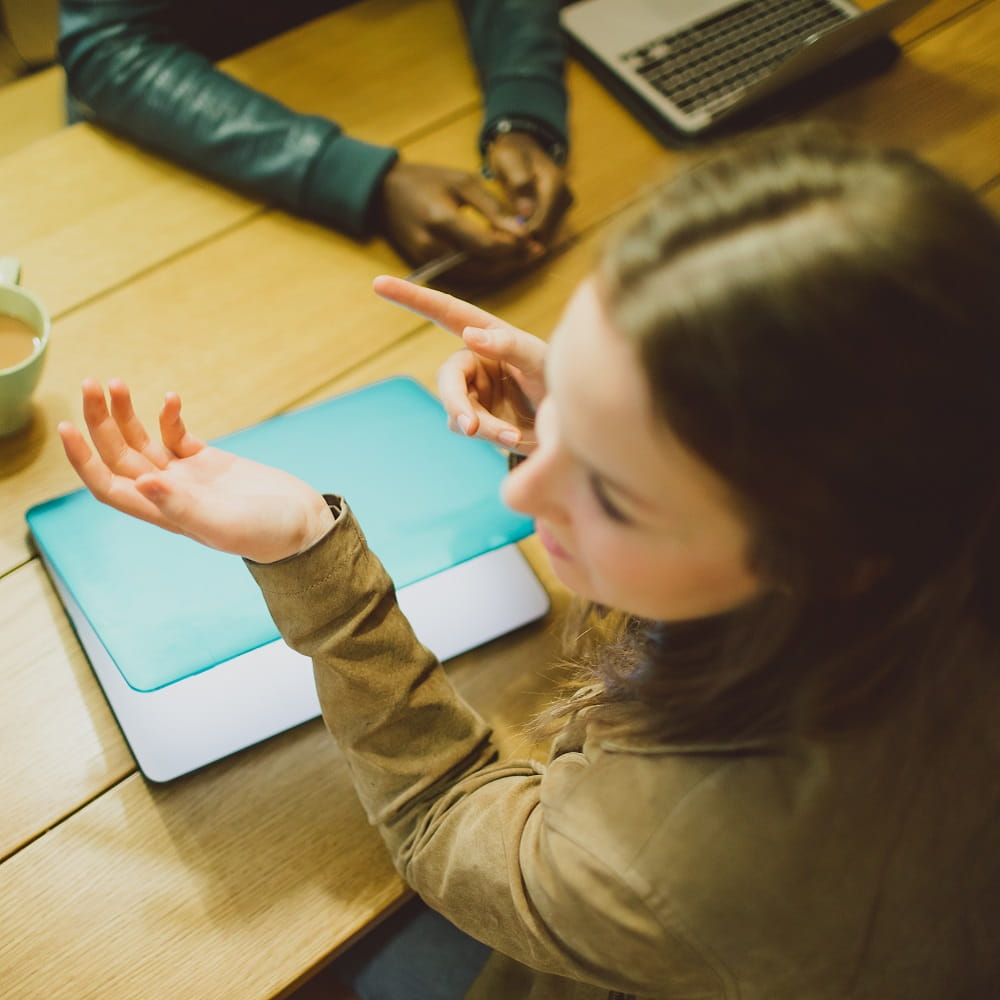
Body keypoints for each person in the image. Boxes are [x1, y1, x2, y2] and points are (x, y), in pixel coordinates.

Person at [58, 125, 1000, 999]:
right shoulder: (937, 495)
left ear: (827, 560)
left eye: (618, 488)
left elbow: (442, 815)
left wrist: (312, 555)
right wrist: (599, 411)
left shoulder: (673, 866)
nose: (518, 490)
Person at [57, 0, 572, 284]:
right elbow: (110, 47)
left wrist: (524, 96)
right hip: (188, 124)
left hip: (395, 67)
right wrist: (352, 176)